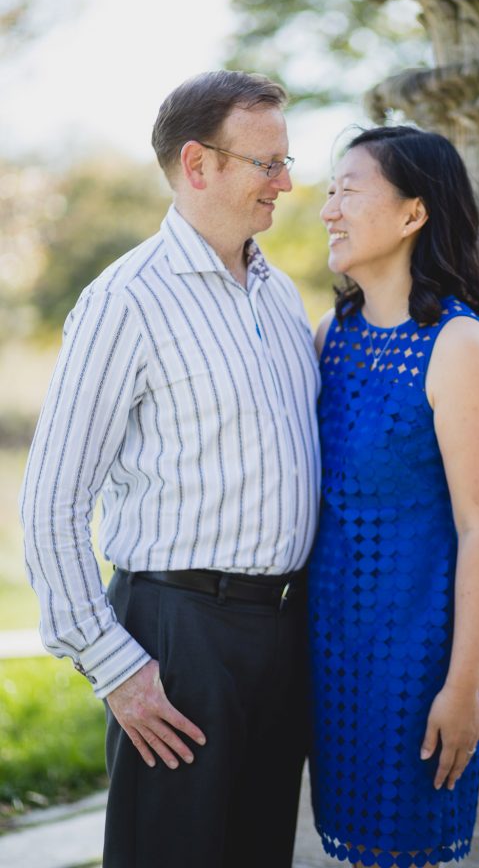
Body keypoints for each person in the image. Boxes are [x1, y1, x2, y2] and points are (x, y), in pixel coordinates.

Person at [20, 70, 321, 868]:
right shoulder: (125, 300)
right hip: (177, 636)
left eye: (285, 161)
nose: (286, 182)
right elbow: (50, 502)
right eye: (267, 162)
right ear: (199, 165)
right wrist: (116, 668)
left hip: (279, 632)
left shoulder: (281, 297)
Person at [308, 125, 479, 867]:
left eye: (348, 189)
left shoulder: (457, 346)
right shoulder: (332, 332)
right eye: (328, 190)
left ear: (412, 213)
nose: (328, 208)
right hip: (328, 659)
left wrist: (462, 690)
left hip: (415, 666)